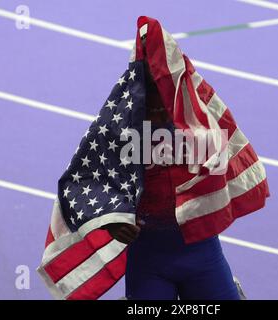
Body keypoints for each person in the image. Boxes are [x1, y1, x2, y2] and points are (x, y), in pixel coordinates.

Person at [103, 55, 242, 300]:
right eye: (151, 108)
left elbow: (228, 172)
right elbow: (90, 186)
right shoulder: (121, 133)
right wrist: (113, 219)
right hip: (149, 261)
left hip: (203, 255)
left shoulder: (202, 125)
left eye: (163, 107)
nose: (157, 116)